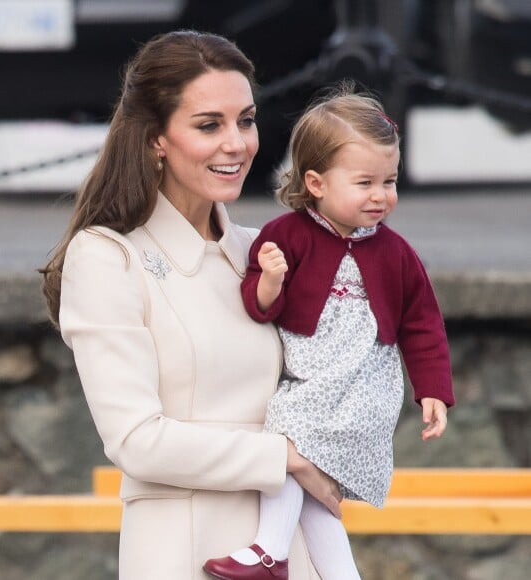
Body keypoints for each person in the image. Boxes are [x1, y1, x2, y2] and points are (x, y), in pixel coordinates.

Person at [40, 30, 342, 580]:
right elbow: (137, 441)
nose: (238, 143)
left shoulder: (264, 251)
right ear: (156, 137)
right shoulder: (107, 258)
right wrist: (289, 460)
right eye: (209, 125)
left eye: (246, 121)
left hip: (293, 549)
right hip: (185, 555)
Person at [203, 85, 455, 580]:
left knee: (288, 434)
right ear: (316, 182)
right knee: (315, 488)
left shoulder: (396, 252)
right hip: (312, 378)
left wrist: (433, 391)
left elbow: (422, 322)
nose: (381, 195)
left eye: (390, 180)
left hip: (362, 387)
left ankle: (270, 551)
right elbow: (257, 307)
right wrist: (271, 281)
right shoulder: (285, 236)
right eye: (365, 182)